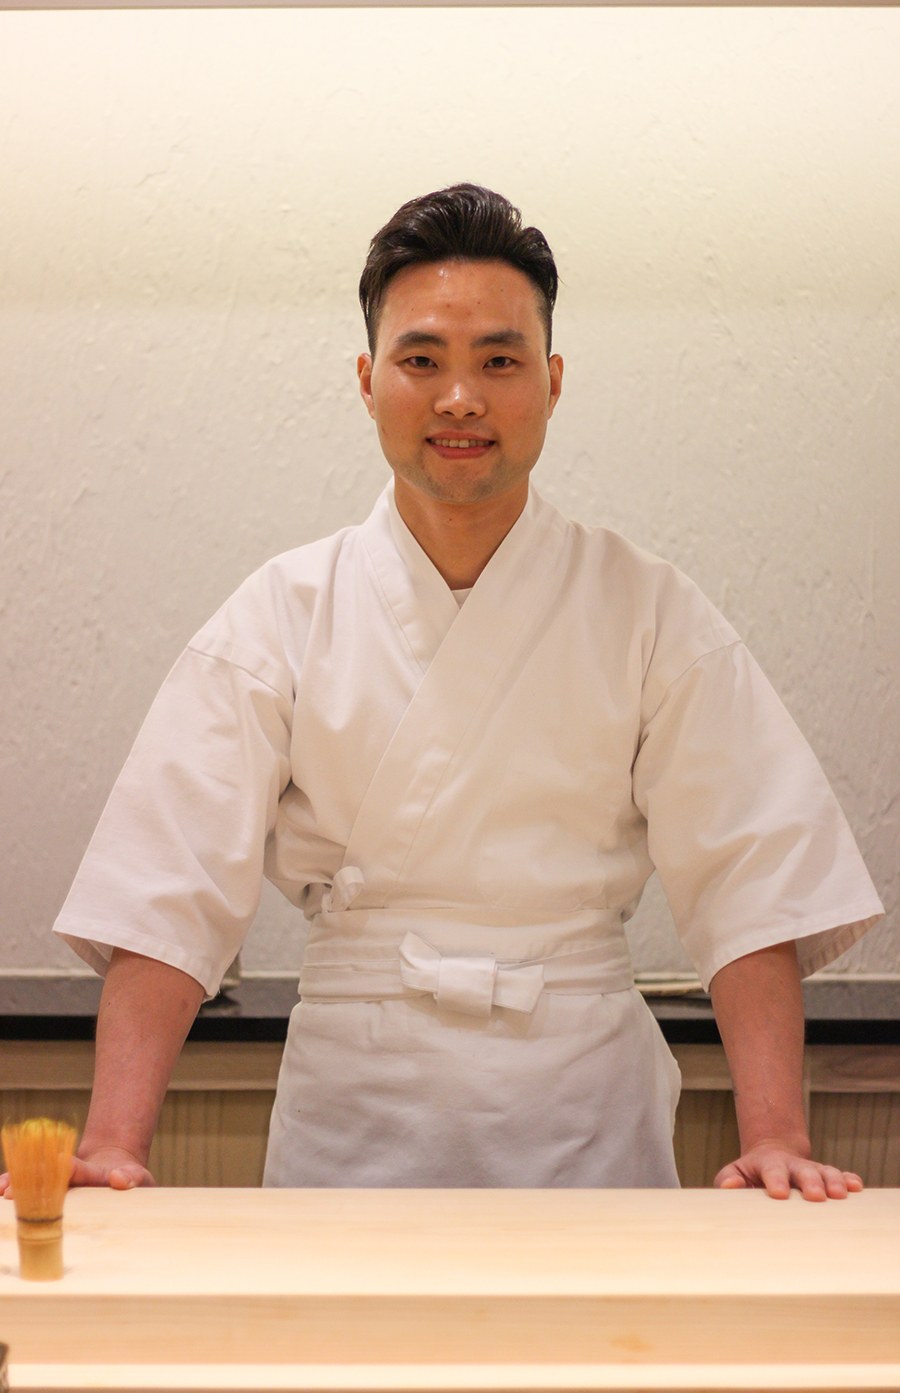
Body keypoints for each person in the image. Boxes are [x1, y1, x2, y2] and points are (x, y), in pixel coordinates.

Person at [5, 184, 884, 1203]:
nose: (459, 397)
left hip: (579, 1104)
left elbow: (752, 871)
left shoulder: (646, 607)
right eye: (422, 360)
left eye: (498, 362)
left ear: (553, 383)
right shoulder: (281, 611)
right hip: (357, 1097)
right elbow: (167, 883)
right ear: (368, 379)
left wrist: (775, 1134)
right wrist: (114, 1142)